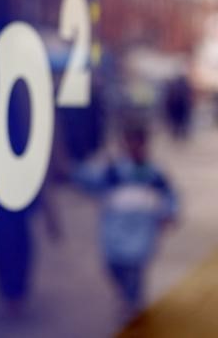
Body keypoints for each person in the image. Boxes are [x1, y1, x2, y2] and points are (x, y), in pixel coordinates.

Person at [73, 116, 177, 316]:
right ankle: (127, 297)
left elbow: (169, 194)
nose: (134, 147)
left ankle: (133, 303)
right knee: (113, 266)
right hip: (114, 233)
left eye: (138, 142)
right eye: (130, 142)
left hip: (142, 231)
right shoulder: (113, 171)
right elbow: (90, 179)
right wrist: (72, 171)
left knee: (135, 270)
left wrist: (169, 213)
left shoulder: (154, 172)